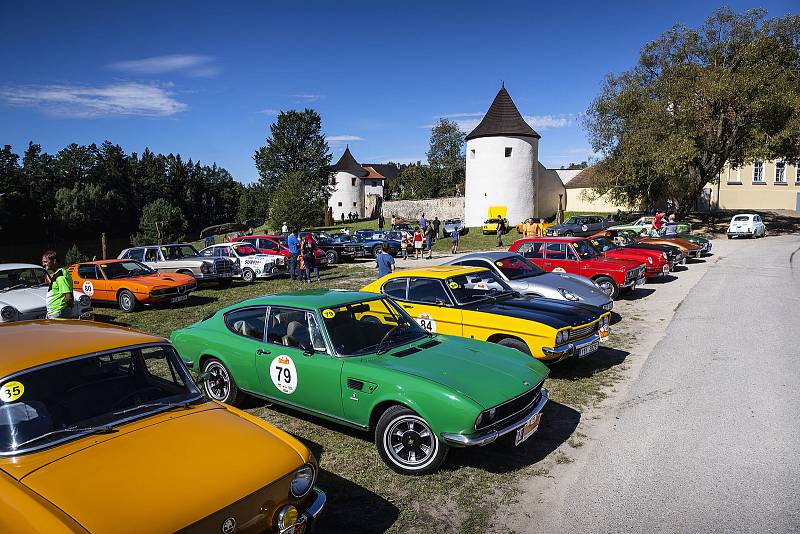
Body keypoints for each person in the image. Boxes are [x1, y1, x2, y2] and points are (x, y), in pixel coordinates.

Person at [42, 250, 73, 319]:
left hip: (58, 313)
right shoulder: (57, 274)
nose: (43, 264)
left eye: (45, 262)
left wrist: (62, 311)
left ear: (54, 261)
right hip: (55, 312)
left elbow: (68, 296)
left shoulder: (60, 276)